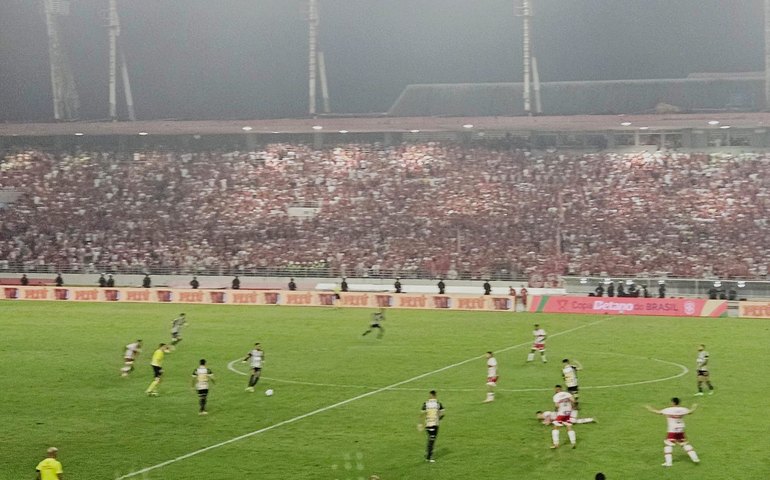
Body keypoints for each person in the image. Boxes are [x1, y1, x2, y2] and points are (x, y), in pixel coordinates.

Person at [645, 398, 700, 467]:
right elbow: (690, 412)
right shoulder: (683, 409)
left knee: (668, 445)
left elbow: (658, 412)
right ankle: (695, 458)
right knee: (683, 443)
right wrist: (694, 407)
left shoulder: (669, 410)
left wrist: (649, 408)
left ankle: (668, 463)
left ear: (673, 403)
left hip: (672, 430)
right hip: (681, 429)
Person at [419, 390, 444, 462]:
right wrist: (439, 418)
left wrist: (420, 424)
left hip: (428, 424)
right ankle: (429, 457)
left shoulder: (425, 404)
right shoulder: (438, 404)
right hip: (434, 424)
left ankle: (428, 453)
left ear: (430, 395)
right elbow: (442, 413)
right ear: (435, 395)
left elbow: (422, 414)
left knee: (430, 439)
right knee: (432, 440)